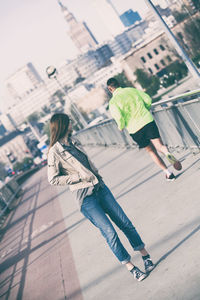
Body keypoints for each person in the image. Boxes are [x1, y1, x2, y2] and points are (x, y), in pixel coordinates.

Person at [47, 113, 154, 282]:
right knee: (110, 232)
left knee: (124, 223)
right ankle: (131, 267)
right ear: (62, 125)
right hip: (86, 199)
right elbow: (52, 179)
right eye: (69, 122)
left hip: (101, 189)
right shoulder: (55, 152)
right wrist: (77, 177)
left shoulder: (75, 141)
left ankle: (146, 256)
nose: (72, 123)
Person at [107, 78, 182, 181]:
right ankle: (166, 151)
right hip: (147, 121)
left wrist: (120, 126)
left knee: (151, 151)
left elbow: (118, 117)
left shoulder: (113, 102)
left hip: (134, 129)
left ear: (110, 89)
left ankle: (168, 173)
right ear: (119, 84)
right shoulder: (131, 90)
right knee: (159, 145)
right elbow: (148, 100)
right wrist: (145, 109)